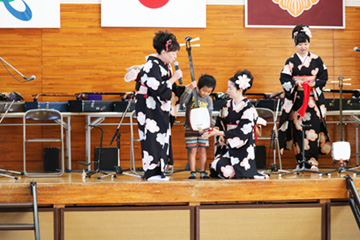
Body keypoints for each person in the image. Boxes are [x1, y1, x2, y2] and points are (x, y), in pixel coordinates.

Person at [278, 24, 331, 171]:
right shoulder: (291, 61)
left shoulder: (317, 60)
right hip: (297, 100)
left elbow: (324, 76)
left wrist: (314, 83)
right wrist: (296, 83)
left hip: (313, 100)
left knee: (313, 129)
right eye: (300, 44)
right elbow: (284, 78)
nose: (303, 47)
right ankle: (300, 161)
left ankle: (313, 161)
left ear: (309, 43)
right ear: (296, 44)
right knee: (298, 129)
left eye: (306, 44)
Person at [202, 70, 268, 179]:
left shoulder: (249, 108)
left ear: (240, 89)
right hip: (228, 147)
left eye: (230, 88)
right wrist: (220, 136)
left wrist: (221, 133)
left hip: (242, 149)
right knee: (215, 166)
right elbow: (220, 122)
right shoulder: (226, 105)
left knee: (227, 172)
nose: (227, 91)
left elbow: (243, 131)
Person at [135, 30, 183, 181]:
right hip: (149, 107)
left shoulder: (164, 65)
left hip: (160, 108)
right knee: (151, 137)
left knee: (162, 137)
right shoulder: (151, 65)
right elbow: (157, 89)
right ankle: (151, 173)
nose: (175, 57)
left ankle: (160, 171)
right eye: (173, 53)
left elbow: (167, 89)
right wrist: (174, 78)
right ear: (163, 51)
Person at [180, 74, 216, 179]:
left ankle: (203, 171)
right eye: (204, 90)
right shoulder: (192, 94)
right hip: (190, 127)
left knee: (203, 149)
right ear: (199, 87)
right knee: (192, 150)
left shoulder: (209, 100)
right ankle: (192, 172)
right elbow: (183, 101)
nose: (206, 93)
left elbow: (209, 113)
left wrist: (210, 126)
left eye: (209, 92)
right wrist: (189, 89)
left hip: (204, 128)